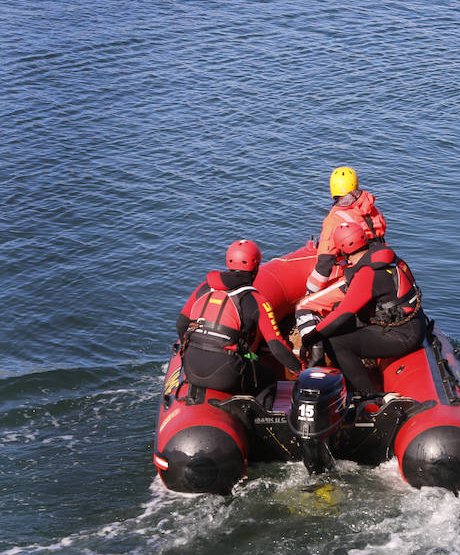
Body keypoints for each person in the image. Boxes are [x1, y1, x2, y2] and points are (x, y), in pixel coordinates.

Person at [299, 222, 425, 396]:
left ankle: (366, 395)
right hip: (411, 324)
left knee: (334, 341)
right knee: (338, 320)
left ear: (342, 251)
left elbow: (342, 314)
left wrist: (309, 339)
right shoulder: (386, 258)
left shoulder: (368, 274)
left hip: (402, 335)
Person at [176, 239, 301, 394]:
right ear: (256, 268)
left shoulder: (204, 287)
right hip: (225, 373)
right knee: (268, 376)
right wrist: (300, 370)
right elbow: (277, 346)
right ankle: (259, 417)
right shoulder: (256, 300)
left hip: (191, 366)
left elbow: (181, 324)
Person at [305, 166, 388, 295]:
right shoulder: (370, 207)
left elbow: (325, 263)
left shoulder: (334, 219)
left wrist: (310, 292)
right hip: (383, 262)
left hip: (360, 274)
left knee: (305, 307)